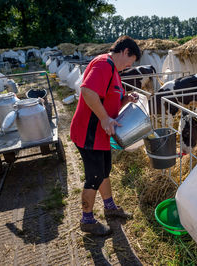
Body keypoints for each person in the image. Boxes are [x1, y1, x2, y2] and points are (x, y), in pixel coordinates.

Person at [70, 36, 141, 236]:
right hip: (88, 133)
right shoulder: (104, 64)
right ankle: (87, 220)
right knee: (94, 176)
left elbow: (108, 100)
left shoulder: (115, 71)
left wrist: (125, 98)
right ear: (125, 51)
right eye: (131, 60)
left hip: (101, 134)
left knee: (104, 170)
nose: (130, 65)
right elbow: (88, 91)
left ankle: (109, 207)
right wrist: (104, 119)